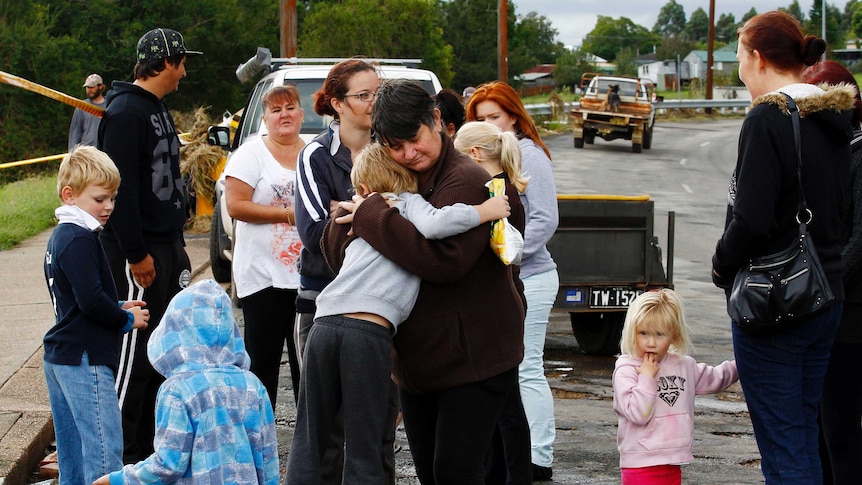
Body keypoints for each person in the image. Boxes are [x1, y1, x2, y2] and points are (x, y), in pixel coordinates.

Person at [331, 78, 527, 485]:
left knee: (453, 474)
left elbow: (443, 261)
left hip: (475, 361)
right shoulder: (394, 171)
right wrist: (356, 215)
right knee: (430, 475)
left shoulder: (466, 179)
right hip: (419, 366)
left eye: (414, 139)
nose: (408, 153)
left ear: (437, 119)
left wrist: (369, 216)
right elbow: (337, 252)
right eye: (395, 146)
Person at [287, 142, 513, 484]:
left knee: (309, 438)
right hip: (366, 332)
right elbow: (440, 224)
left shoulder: (357, 211)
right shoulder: (407, 204)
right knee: (366, 444)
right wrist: (487, 209)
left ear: (363, 188)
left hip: (323, 324)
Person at [711, 11, 854, 483]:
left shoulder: (769, 119)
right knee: (803, 438)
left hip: (776, 299)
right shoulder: (833, 116)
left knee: (782, 444)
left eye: (738, 58)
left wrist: (721, 265)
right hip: (825, 294)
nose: (739, 69)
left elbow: (751, 218)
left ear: (757, 57)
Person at [97, 27, 200, 463]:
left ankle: (150, 446)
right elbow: (119, 190)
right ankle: (119, 451)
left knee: (162, 346)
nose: (184, 72)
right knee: (134, 352)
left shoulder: (156, 108)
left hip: (166, 242)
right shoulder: (123, 113)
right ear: (165, 63)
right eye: (182, 62)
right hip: (138, 251)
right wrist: (136, 252)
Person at [293, 58, 387, 484]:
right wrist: (378, 217)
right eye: (364, 95)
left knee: (379, 424)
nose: (374, 102)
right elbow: (315, 234)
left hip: (382, 309)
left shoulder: (394, 149)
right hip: (323, 302)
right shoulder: (314, 156)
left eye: (378, 93)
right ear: (337, 104)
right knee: (324, 433)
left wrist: (348, 213)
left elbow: (413, 220)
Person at [93, 279, 279, 485]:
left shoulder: (178, 390)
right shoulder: (252, 385)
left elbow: (168, 465)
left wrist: (120, 479)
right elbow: (267, 456)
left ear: (175, 330)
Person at [467, 80, 560, 481]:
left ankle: (539, 456)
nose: (491, 125)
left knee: (526, 368)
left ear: (514, 116)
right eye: (481, 119)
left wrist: (509, 254)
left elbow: (544, 218)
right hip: (501, 282)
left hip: (533, 276)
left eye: (496, 117)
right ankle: (506, 455)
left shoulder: (527, 153)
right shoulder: (477, 158)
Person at [42, 146, 150, 485]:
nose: (108, 207)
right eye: (100, 199)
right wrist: (125, 321)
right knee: (104, 452)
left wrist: (117, 304)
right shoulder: (79, 239)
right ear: (69, 195)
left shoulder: (63, 236)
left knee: (74, 454)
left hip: (63, 353)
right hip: (84, 358)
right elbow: (89, 301)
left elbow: (76, 299)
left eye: (113, 199)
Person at [452, 120, 532, 483]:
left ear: (474, 154)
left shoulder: (496, 195)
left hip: (496, 311)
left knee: (505, 407)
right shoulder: (505, 189)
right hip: (505, 306)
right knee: (501, 406)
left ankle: (509, 475)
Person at [801, 60, 862, 485]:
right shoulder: (835, 153)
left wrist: (822, 289)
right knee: (823, 432)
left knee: (841, 434)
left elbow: (859, 243)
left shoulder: (858, 155)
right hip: (832, 311)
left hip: (851, 316)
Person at [224, 85, 304, 407]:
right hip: (263, 278)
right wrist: (289, 214)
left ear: (302, 113)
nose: (284, 114)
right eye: (276, 110)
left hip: (306, 278)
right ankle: (257, 445)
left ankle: (309, 451)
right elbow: (235, 206)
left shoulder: (315, 152)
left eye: (290, 108)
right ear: (265, 118)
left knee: (307, 367)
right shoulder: (251, 153)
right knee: (261, 368)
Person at [613, 289, 738, 485]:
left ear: (673, 335)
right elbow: (638, 414)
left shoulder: (683, 365)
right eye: (643, 333)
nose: (651, 342)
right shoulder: (627, 370)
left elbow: (716, 378)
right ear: (632, 331)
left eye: (659, 334)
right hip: (639, 464)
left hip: (673, 461)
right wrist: (647, 378)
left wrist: (742, 364)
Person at [68, 74, 106, 150]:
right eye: (87, 87)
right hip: (87, 152)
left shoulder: (109, 106)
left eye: (92, 87)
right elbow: (75, 133)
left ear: (100, 87)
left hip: (104, 151)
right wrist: (72, 152)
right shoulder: (82, 106)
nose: (89, 90)